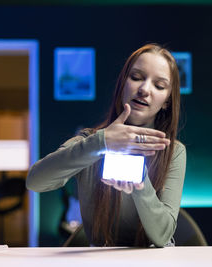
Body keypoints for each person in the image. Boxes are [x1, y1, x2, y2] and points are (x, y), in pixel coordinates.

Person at [26, 43, 186, 247]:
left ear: (167, 101)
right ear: (122, 85)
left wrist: (140, 182)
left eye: (159, 86)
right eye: (136, 77)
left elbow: (162, 236)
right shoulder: (89, 140)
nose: (144, 89)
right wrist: (100, 143)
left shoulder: (174, 151)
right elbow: (35, 181)